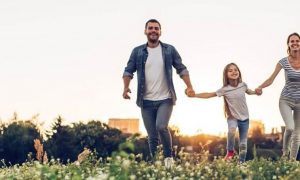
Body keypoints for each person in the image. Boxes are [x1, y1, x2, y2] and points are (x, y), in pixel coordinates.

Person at [122, 19, 195, 168]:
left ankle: (168, 160)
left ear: (160, 32)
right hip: (146, 101)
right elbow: (128, 70)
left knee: (161, 126)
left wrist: (189, 86)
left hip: (165, 98)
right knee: (152, 137)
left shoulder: (169, 50)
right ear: (145, 31)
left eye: (156, 28)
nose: (153, 30)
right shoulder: (137, 51)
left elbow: (181, 68)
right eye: (150, 28)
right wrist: (125, 87)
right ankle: (155, 165)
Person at [189, 63, 259, 163]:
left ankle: (241, 163)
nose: (234, 72)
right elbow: (209, 94)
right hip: (232, 117)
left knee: (243, 144)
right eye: (230, 70)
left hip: (245, 119)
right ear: (226, 75)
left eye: (235, 70)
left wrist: (257, 92)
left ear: (239, 72)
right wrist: (195, 95)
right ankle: (230, 151)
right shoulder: (225, 89)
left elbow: (250, 91)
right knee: (231, 131)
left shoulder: (243, 85)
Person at [255, 33, 300, 160]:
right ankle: (285, 153)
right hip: (286, 99)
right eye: (292, 41)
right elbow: (271, 79)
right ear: (289, 44)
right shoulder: (283, 62)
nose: (295, 43)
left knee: (297, 135)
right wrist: (260, 87)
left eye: (297, 41)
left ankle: (292, 162)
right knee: (290, 128)